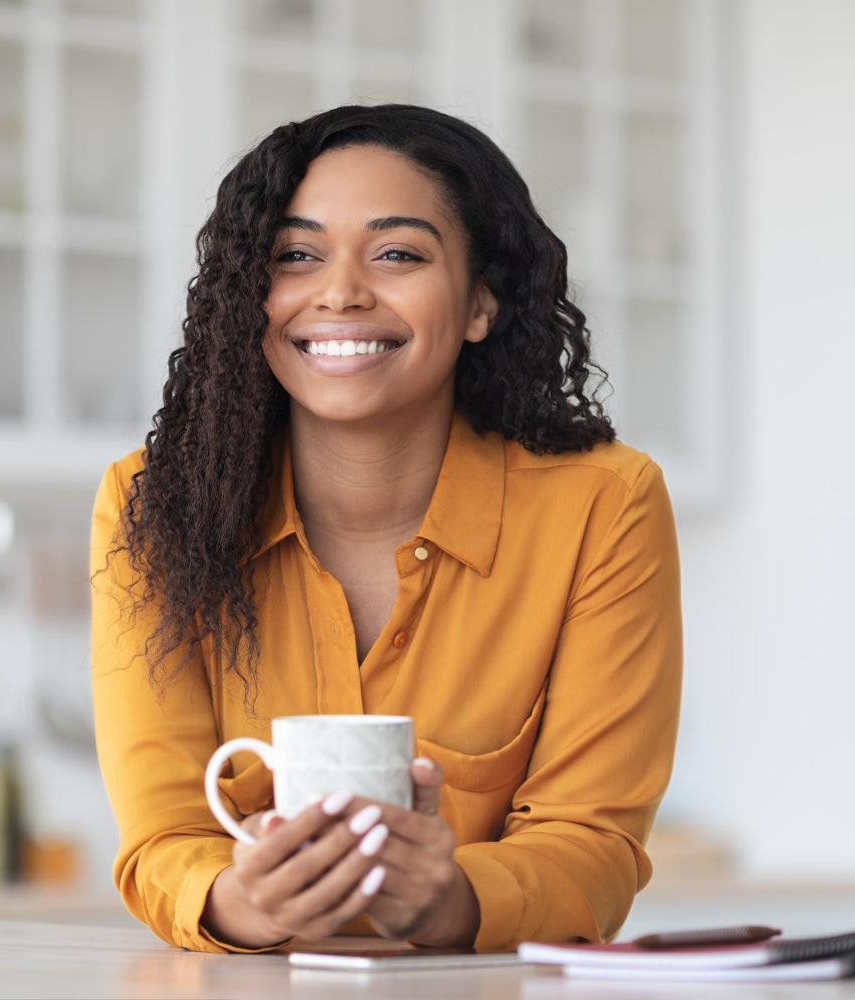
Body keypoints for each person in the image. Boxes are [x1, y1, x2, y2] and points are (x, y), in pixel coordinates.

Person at [88, 103, 682, 954]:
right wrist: (243, 902)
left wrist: (451, 901)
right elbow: (163, 839)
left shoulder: (604, 506)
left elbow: (596, 845)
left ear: (481, 301)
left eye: (398, 254)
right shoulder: (151, 504)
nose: (340, 293)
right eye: (296, 256)